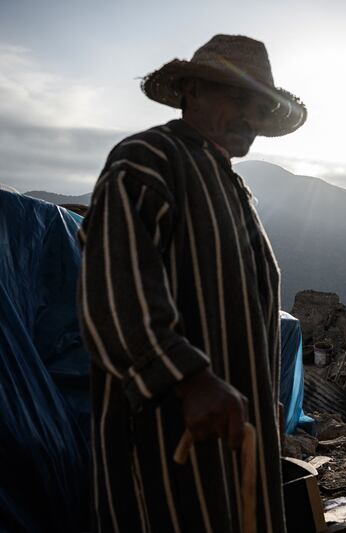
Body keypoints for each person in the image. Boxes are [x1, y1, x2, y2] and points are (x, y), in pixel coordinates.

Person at [78, 34, 306, 532]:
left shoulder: (232, 186)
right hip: (167, 444)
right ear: (191, 92)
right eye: (236, 95)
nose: (250, 114)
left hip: (235, 442)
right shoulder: (147, 160)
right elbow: (115, 292)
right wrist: (189, 380)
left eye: (260, 103)